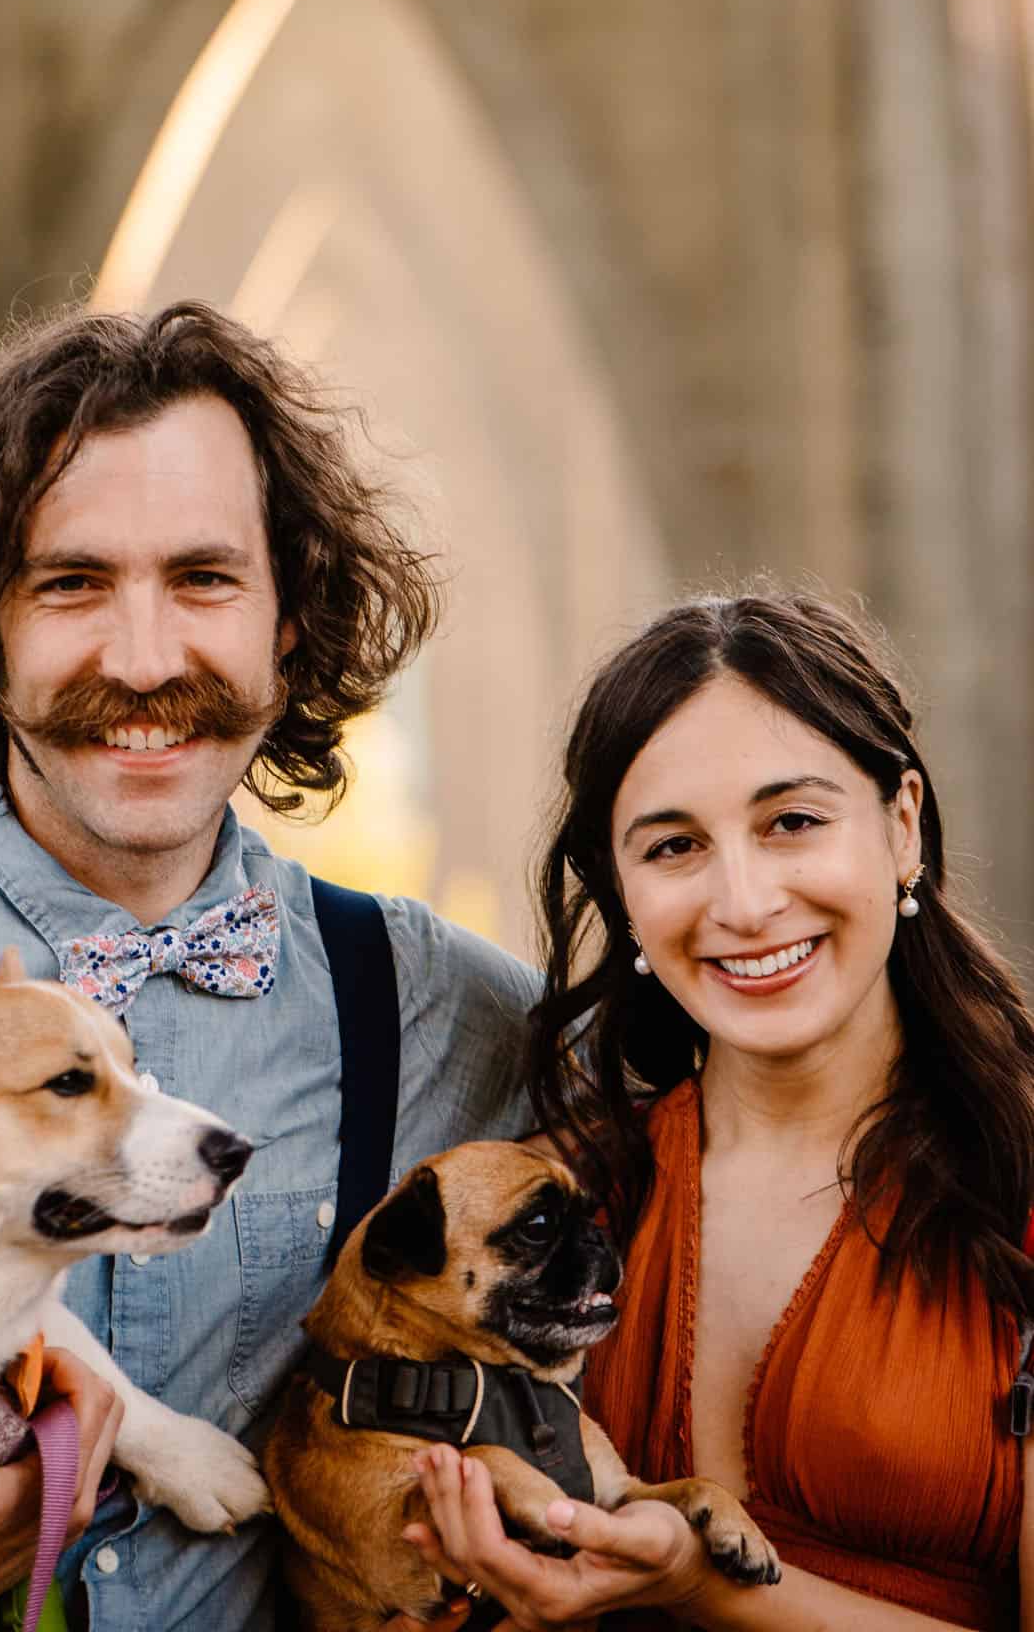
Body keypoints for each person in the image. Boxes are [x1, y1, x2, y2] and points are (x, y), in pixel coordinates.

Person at [0, 302, 538, 1632]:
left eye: (203, 580)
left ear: (288, 622)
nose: (142, 659)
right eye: (70, 583)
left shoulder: (446, 1014)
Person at [406, 590, 1034, 1631]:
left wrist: (702, 1586)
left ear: (900, 823)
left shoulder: (1016, 1181)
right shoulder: (559, 1194)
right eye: (672, 846)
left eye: (790, 820)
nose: (741, 902)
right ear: (619, 889)